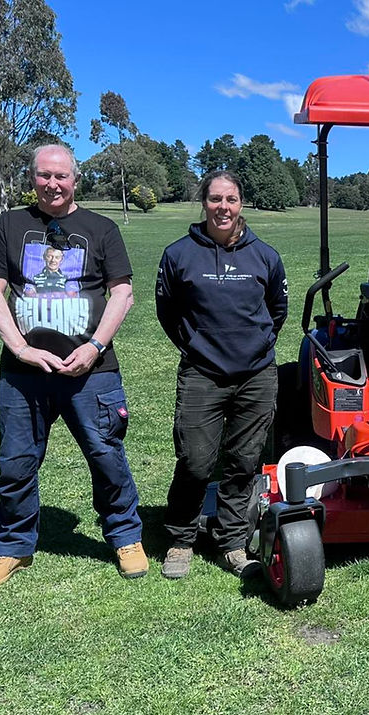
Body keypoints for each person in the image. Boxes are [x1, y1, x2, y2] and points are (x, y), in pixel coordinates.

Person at [0, 143, 148, 590]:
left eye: (61, 176)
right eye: (44, 175)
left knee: (107, 456)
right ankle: (11, 547)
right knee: (15, 463)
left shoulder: (101, 228)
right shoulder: (9, 225)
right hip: (23, 375)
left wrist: (94, 346)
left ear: (75, 179)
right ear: (32, 177)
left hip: (93, 371)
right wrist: (20, 348)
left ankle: (126, 538)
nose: (52, 184)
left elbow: (121, 293)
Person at [156, 170, 288, 580]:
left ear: (241, 203)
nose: (223, 207)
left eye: (230, 199)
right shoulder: (179, 254)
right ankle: (181, 539)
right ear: (204, 203)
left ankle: (232, 542)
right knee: (196, 461)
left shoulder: (264, 256)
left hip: (256, 376)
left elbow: (276, 311)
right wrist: (197, 346)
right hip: (202, 374)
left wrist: (254, 348)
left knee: (243, 461)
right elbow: (168, 311)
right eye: (215, 199)